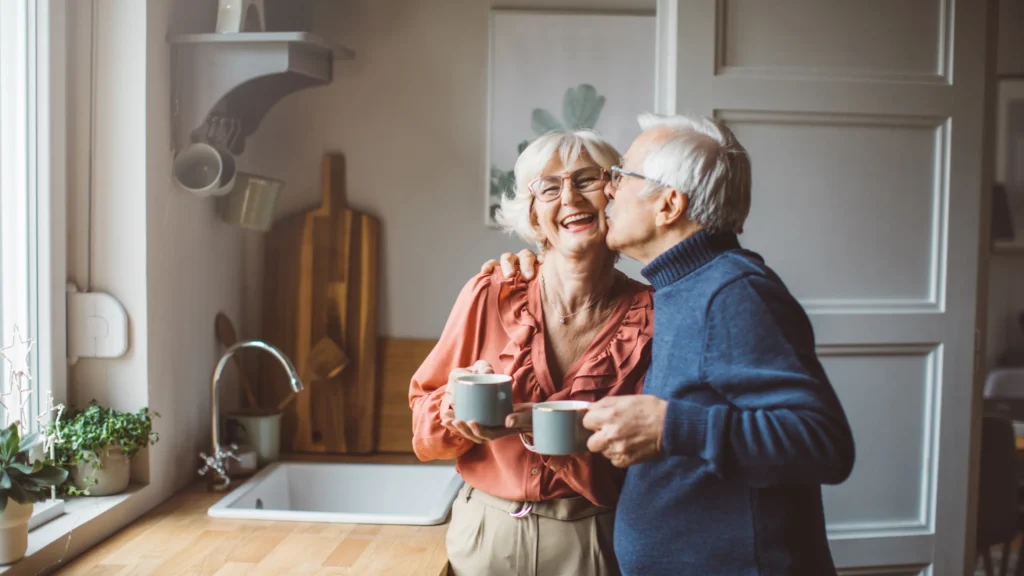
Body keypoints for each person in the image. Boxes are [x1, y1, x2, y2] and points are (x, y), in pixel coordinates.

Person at [483, 113, 856, 576]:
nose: (609, 190)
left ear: (669, 205)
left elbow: (824, 443)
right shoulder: (682, 289)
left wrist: (668, 428)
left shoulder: (733, 292)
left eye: (621, 175)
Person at [409, 129, 655, 576]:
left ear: (614, 196)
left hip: (596, 539)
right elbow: (423, 423)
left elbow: (656, 453)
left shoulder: (653, 315)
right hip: (485, 535)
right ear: (534, 216)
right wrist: (452, 409)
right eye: (549, 187)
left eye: (586, 180)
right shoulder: (489, 292)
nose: (570, 198)